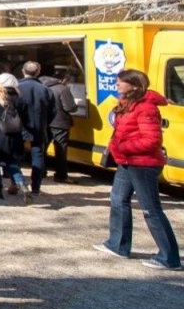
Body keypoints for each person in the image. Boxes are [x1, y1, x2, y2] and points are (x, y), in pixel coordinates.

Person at [93, 69, 180, 270]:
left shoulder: (146, 107)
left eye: (120, 82)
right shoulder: (128, 104)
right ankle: (118, 245)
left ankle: (169, 257)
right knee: (118, 199)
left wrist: (121, 147)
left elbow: (151, 140)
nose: (116, 85)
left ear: (134, 85)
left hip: (143, 164)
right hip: (127, 161)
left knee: (151, 210)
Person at [0, 73, 31, 204]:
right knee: (12, 164)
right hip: (14, 135)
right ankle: (22, 185)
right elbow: (26, 118)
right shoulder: (21, 98)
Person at [17, 62, 56, 196]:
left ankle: (18, 183)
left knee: (16, 156)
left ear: (23, 71)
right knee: (38, 157)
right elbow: (53, 111)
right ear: (38, 72)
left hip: (19, 127)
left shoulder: (17, 88)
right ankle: (35, 188)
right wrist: (44, 123)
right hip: (39, 127)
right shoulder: (45, 90)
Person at [43, 67, 78, 184]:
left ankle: (41, 172)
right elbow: (70, 107)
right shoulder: (63, 89)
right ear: (64, 79)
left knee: (42, 147)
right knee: (60, 149)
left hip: (45, 121)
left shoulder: (43, 87)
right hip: (60, 122)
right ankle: (61, 175)